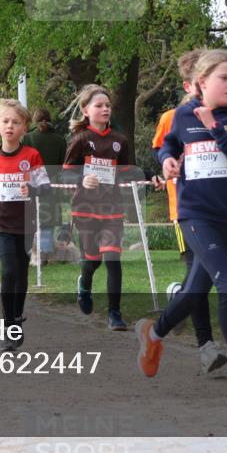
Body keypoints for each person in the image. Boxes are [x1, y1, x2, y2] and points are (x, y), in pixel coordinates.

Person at [137, 49, 227, 407]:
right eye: (224, 79)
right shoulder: (182, 116)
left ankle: (153, 333)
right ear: (202, 82)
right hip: (193, 215)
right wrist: (167, 160)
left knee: (193, 292)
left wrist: (215, 127)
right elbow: (167, 144)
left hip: (224, 218)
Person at [151, 48, 227, 374]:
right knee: (204, 275)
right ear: (190, 86)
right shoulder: (173, 117)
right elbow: (161, 149)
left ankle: (174, 306)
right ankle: (206, 347)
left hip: (219, 211)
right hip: (186, 210)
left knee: (201, 278)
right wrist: (167, 164)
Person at [0, 99, 51, 351]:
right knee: (8, 271)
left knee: (21, 272)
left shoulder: (31, 156)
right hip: (1, 222)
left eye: (15, 122)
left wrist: (30, 187)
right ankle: (8, 325)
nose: (10, 126)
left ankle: (17, 316)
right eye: (5, 121)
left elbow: (46, 189)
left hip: (26, 222)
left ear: (24, 128)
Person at [63, 85, 136, 331]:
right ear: (86, 111)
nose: (105, 109)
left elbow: (126, 173)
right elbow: (66, 175)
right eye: (99, 105)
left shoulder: (120, 141)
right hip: (85, 210)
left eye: (108, 105)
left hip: (112, 209)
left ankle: (115, 314)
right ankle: (84, 284)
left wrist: (146, 179)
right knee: (93, 260)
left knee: (113, 258)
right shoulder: (80, 140)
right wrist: (82, 179)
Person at [23, 108, 67, 263]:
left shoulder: (27, 139)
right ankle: (46, 254)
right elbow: (62, 164)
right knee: (48, 220)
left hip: (32, 184)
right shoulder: (60, 140)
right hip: (53, 185)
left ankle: (34, 255)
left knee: (31, 220)